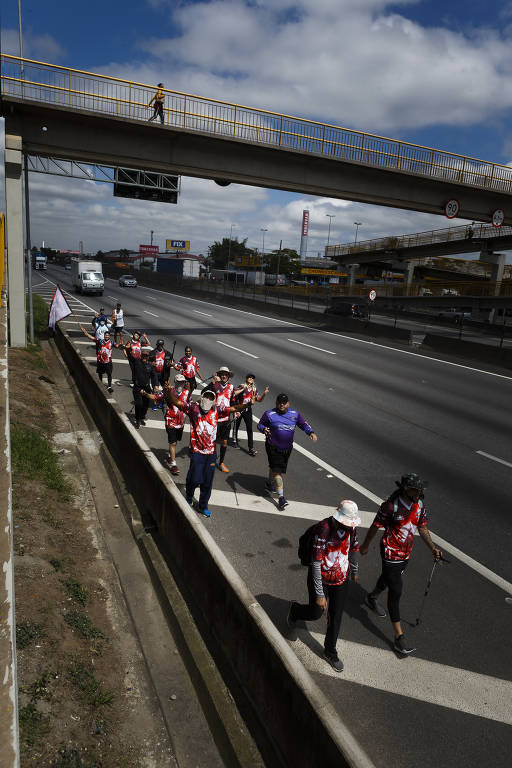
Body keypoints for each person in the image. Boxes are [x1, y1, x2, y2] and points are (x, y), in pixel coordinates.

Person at [360, 473, 442, 656]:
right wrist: (365, 545)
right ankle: (399, 637)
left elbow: (422, 527)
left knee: (388, 580)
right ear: (407, 490)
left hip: (406, 553)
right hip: (390, 552)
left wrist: (433, 549)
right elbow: (375, 525)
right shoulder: (391, 507)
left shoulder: (419, 505)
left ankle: (371, 598)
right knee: (396, 590)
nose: (421, 492)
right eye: (417, 489)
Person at [288, 501, 360, 672]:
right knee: (315, 612)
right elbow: (316, 562)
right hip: (321, 578)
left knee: (335, 616)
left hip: (341, 580)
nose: (348, 526)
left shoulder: (352, 529)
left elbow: (353, 549)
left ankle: (330, 651)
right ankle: (296, 610)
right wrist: (320, 594)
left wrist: (354, 569)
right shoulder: (324, 529)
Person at [165, 383, 247, 516]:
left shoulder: (217, 410)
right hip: (197, 452)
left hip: (211, 454)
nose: (208, 400)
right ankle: (190, 495)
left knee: (207, 482)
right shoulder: (193, 409)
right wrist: (169, 392)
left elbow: (234, 408)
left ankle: (203, 506)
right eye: (206, 397)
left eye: (211, 398)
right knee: (195, 479)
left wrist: (248, 404)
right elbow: (177, 402)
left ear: (214, 401)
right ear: (201, 398)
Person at [257, 393, 317, 510]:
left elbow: (303, 424)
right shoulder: (269, 414)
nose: (281, 405)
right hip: (272, 446)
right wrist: (264, 429)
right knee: (277, 472)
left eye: (284, 403)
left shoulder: (295, 414)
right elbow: (260, 424)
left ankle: (269, 483)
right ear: (276, 403)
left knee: (274, 467)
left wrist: (310, 432)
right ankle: (281, 498)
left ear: (288, 403)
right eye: (279, 403)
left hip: (287, 448)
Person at [232, 374, 269, 455]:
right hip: (239, 408)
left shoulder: (254, 389)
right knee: (236, 425)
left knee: (249, 428)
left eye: (252, 378)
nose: (251, 379)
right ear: (246, 379)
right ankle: (234, 441)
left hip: (248, 410)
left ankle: (251, 448)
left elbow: (258, 400)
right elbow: (234, 393)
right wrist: (243, 389)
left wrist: (264, 394)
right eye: (249, 377)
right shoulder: (241, 386)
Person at [78, 323, 118, 393]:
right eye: (106, 335)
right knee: (100, 373)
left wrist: (125, 347)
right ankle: (100, 383)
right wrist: (85, 332)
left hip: (108, 361)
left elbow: (119, 346)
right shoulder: (100, 341)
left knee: (109, 374)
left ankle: (109, 386)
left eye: (108, 335)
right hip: (100, 360)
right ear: (104, 336)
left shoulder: (112, 343)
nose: (107, 336)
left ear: (109, 336)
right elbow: (91, 338)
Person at [162, 373, 189, 475]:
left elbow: (189, 404)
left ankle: (170, 456)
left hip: (180, 422)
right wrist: (146, 394)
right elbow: (158, 396)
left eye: (182, 382)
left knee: (176, 441)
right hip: (170, 420)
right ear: (175, 382)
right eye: (179, 382)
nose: (180, 384)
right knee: (173, 443)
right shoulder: (169, 391)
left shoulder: (186, 393)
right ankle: (173, 465)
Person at [212, 366, 235, 472]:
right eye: (222, 374)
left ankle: (221, 462)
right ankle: (211, 460)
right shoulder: (215, 385)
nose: (224, 376)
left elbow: (233, 400)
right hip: (215, 418)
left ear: (228, 376)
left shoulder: (231, 387)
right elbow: (205, 393)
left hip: (226, 418)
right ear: (219, 375)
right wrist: (212, 382)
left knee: (224, 442)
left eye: (226, 374)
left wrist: (236, 411)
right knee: (213, 441)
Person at [132, 349, 153, 428]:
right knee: (139, 404)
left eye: (146, 355)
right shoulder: (137, 362)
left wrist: (156, 385)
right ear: (141, 355)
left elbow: (154, 376)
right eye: (143, 355)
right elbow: (131, 355)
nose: (144, 357)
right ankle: (137, 420)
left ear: (148, 357)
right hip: (137, 387)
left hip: (146, 387)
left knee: (145, 405)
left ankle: (141, 417)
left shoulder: (150, 365)